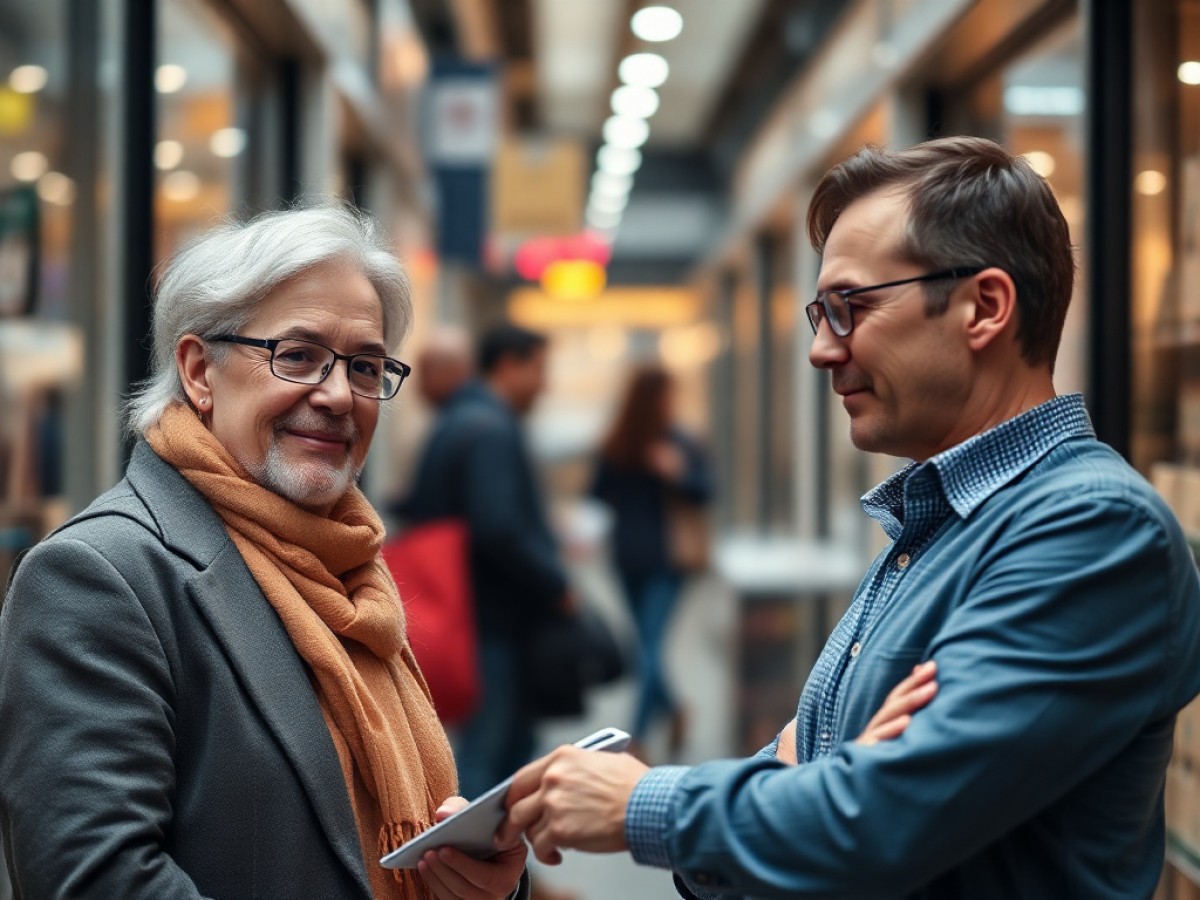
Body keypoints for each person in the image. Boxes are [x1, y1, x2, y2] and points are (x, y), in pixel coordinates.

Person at [497, 136, 1200, 898]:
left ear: (984, 308)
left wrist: (644, 804)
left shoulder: (1090, 531)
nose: (820, 350)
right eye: (819, 312)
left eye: (849, 308)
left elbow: (876, 820)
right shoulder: (942, 522)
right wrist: (830, 782)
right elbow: (829, 791)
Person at [0, 205, 528, 900]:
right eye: (299, 355)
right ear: (199, 372)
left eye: (365, 366)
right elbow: (98, 880)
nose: (339, 395)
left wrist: (487, 884)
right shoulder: (100, 576)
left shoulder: (352, 571)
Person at [399, 323, 569, 803]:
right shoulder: (490, 427)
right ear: (508, 366)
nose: (544, 384)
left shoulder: (457, 421)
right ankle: (480, 867)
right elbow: (497, 527)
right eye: (538, 370)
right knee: (491, 753)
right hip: (492, 620)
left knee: (489, 747)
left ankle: (510, 869)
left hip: (465, 612)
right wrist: (557, 585)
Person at [589, 364, 712, 760]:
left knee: (649, 648)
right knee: (645, 646)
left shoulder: (680, 442)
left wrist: (677, 473)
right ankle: (674, 709)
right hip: (627, 558)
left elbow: (706, 493)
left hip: (667, 561)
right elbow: (598, 493)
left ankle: (636, 740)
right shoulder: (618, 441)